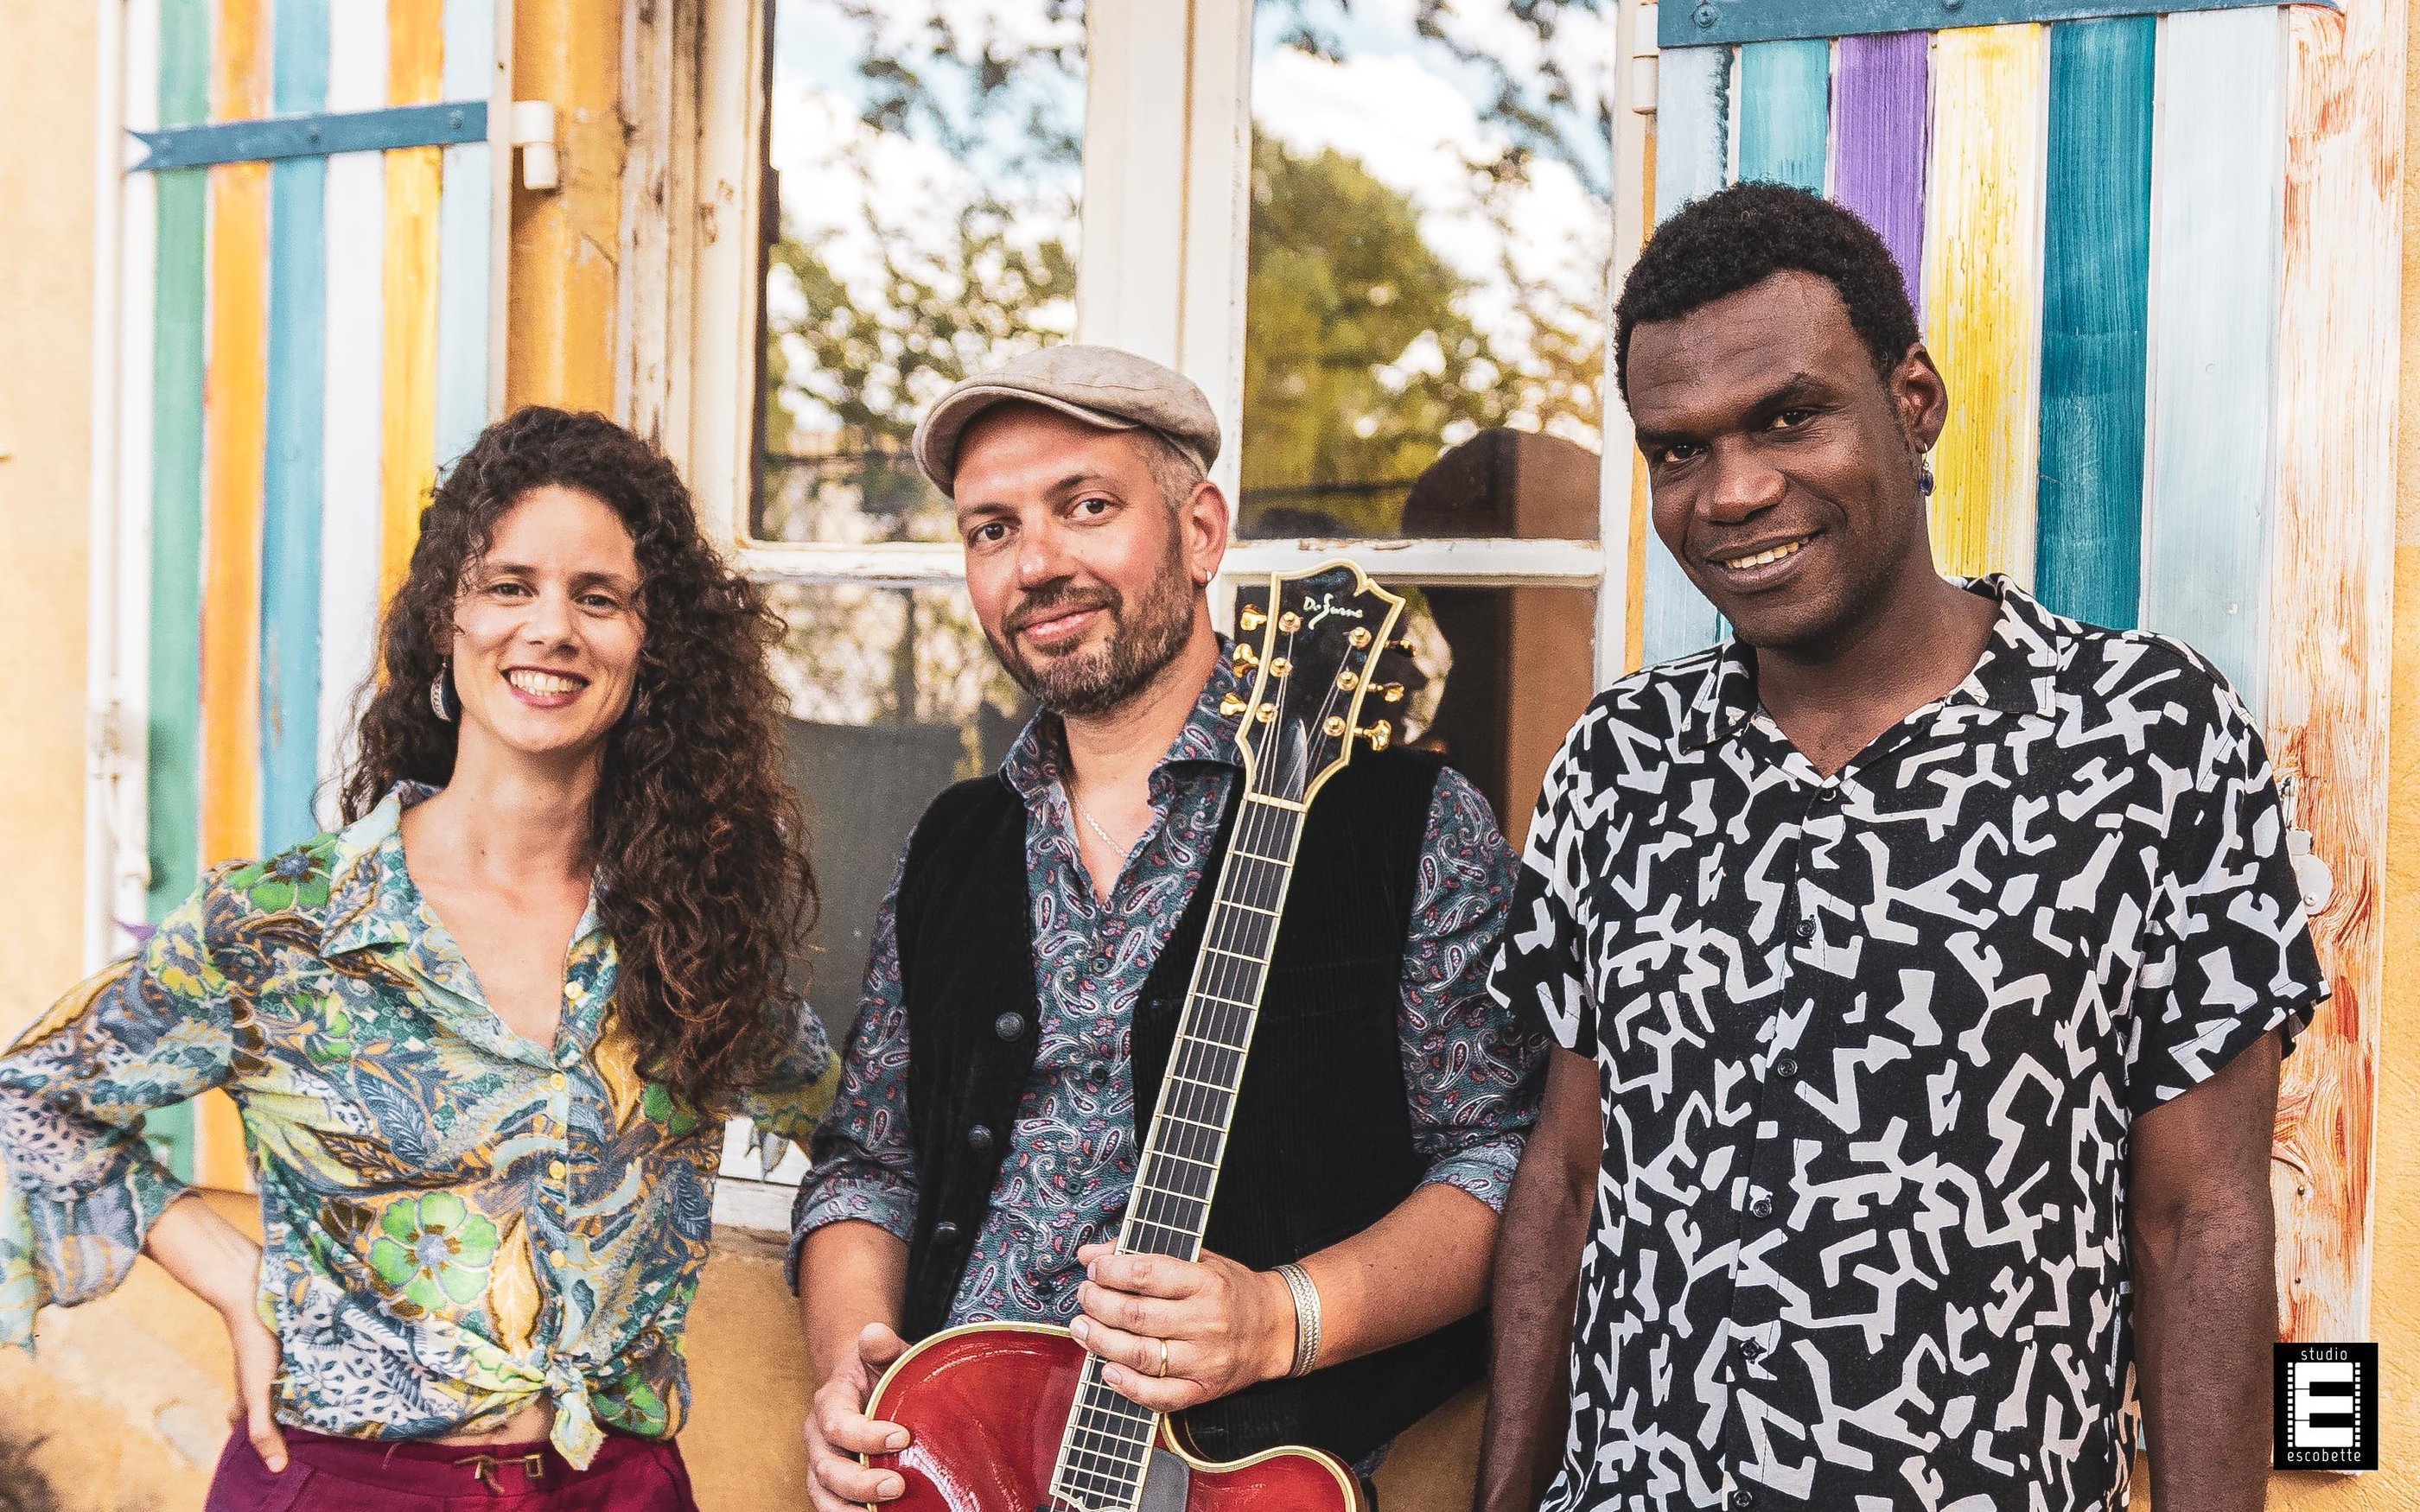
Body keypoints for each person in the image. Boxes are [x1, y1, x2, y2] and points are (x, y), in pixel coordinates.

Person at [1473, 182, 2328, 1512]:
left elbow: (2199, 1219)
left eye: (1788, 417)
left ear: (1912, 401)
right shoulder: (1620, 758)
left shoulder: (2145, 735)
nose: (1734, 491)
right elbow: (1570, 1176)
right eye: (1679, 450)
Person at [0, 407, 838, 1509]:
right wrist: (231, 1272)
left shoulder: (690, 934)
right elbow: (29, 1099)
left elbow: (869, 1137)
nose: (552, 627)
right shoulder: (281, 925)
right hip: (342, 1485)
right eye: (509, 586)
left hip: (618, 1488)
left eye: (599, 597)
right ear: (449, 616)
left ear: (653, 647)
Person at [793, 346, 1546, 1510]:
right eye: (992, 529)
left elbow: (1504, 1158)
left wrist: (1282, 1316)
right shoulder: (954, 842)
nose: (1038, 562)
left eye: (1086, 506)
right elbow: (870, 1162)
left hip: (1244, 1478)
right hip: (960, 1468)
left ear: (1201, 533)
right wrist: (854, 1373)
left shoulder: (1401, 822)